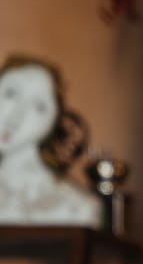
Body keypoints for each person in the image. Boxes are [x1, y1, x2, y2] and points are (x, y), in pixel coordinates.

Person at [0, 55, 100, 227]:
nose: (14, 120)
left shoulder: (74, 206)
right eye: (10, 94)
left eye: (38, 107)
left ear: (52, 123)